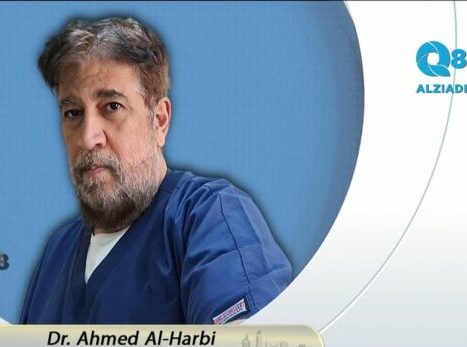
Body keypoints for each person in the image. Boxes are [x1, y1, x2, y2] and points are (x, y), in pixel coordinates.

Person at [20, 17, 292, 324]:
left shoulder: (210, 218)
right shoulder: (56, 254)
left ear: (159, 121)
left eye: (112, 106)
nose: (88, 138)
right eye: (73, 113)